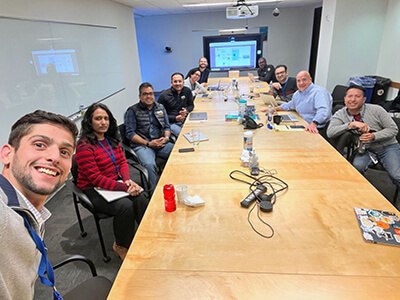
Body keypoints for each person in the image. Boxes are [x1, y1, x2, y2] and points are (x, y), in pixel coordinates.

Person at [0, 110, 78, 300]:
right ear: (7, 154)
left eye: (64, 152)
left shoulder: (28, 211)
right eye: (39, 145)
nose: (55, 157)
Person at [75, 103, 148, 261]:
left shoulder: (111, 139)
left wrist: (127, 180)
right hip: (93, 188)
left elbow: (122, 162)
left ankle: (145, 235)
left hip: (115, 181)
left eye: (106, 118)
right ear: (89, 122)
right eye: (98, 119)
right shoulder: (84, 146)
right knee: (125, 206)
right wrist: (124, 187)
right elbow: (95, 178)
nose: (103, 122)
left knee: (141, 198)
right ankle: (121, 245)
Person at [327, 85, 400, 188]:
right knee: (356, 168)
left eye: (357, 96)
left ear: (364, 99)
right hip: (365, 149)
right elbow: (330, 132)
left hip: (387, 146)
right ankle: (361, 192)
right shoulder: (340, 114)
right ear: (345, 99)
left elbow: (393, 129)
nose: (352, 99)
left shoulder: (377, 110)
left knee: (397, 175)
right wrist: (350, 125)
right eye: (350, 96)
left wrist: (374, 136)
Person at [125, 82, 174, 191]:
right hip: (143, 146)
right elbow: (130, 133)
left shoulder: (160, 107)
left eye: (151, 93)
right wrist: (148, 143)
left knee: (178, 153)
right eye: (145, 94)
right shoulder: (132, 111)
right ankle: (153, 194)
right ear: (140, 96)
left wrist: (165, 138)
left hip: (160, 143)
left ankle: (173, 184)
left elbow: (167, 126)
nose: (148, 96)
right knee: (149, 165)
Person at [265, 70, 332, 134]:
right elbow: (289, 105)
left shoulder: (319, 92)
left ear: (310, 80)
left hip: (315, 128)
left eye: (304, 80)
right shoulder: (298, 93)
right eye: (298, 81)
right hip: (302, 123)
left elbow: (323, 111)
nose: (301, 83)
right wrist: (274, 109)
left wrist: (314, 123)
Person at [157, 72, 194, 136]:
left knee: (196, 130)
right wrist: (175, 118)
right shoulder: (164, 95)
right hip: (171, 123)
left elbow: (191, 105)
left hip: (185, 119)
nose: (178, 84)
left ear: (183, 82)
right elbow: (158, 114)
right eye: (175, 81)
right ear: (171, 83)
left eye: (180, 81)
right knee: (183, 135)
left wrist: (186, 110)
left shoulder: (187, 91)